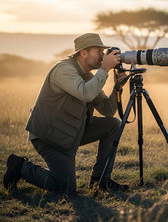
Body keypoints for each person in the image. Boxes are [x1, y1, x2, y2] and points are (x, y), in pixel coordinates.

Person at [3, 33, 129, 194]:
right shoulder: (63, 70)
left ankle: (100, 180)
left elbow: (108, 110)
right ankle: (19, 166)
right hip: (49, 136)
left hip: (70, 133)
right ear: (83, 53)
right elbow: (85, 93)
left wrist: (117, 86)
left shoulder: (88, 76)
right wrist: (104, 69)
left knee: (113, 125)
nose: (103, 56)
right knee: (66, 187)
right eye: (98, 51)